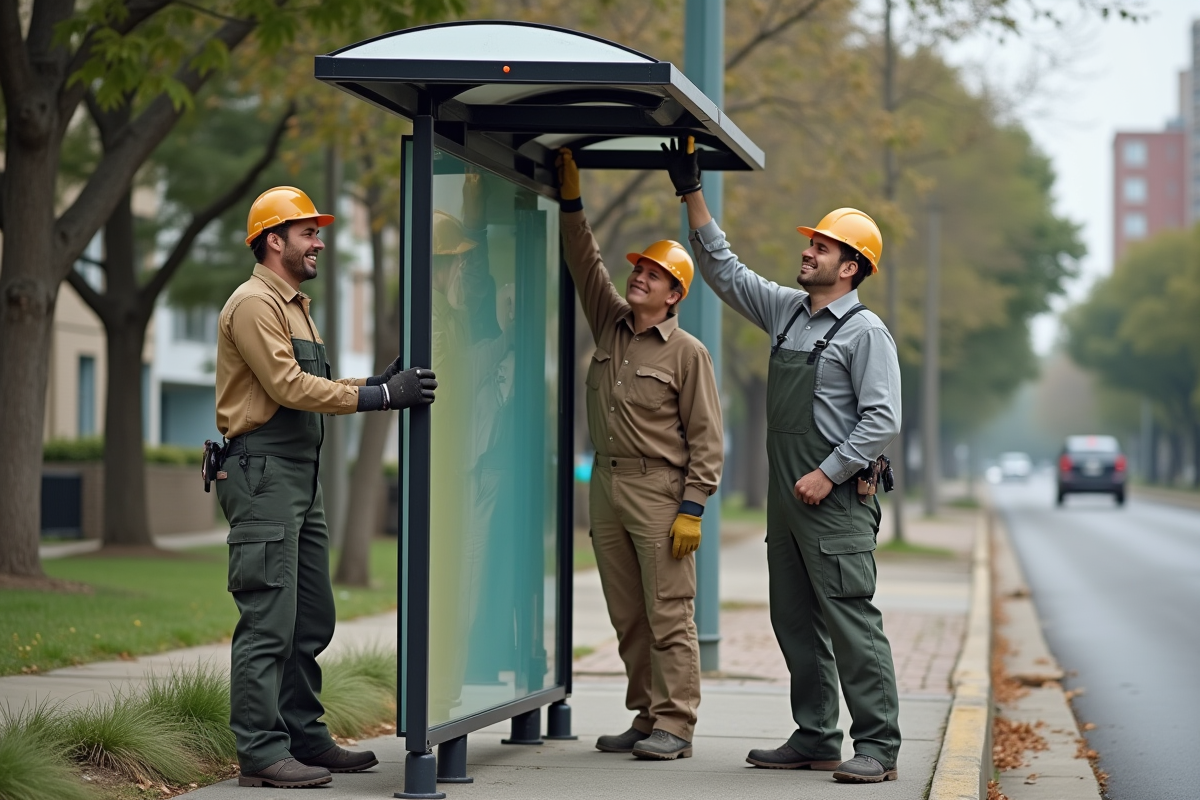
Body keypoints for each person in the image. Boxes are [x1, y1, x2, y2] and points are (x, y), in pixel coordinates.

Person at [663, 139, 903, 783]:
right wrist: (693, 195)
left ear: (850, 268)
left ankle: (878, 745)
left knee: (852, 624)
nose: (808, 251)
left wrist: (829, 473)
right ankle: (818, 734)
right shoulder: (789, 313)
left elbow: (881, 420)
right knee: (793, 621)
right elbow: (724, 272)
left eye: (822, 247)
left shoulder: (865, 333)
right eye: (812, 243)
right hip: (788, 500)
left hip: (836, 503)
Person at [214, 186, 437, 789]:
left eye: (318, 232)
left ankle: (304, 738)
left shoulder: (294, 303)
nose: (319, 242)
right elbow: (288, 387)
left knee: (311, 616)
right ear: (273, 239)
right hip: (263, 473)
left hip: (298, 476)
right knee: (268, 617)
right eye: (308, 232)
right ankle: (260, 751)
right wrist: (379, 398)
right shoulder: (254, 302)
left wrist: (376, 380)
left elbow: (317, 382)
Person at [557, 148, 724, 761]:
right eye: (639, 271)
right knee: (627, 614)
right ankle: (646, 714)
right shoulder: (611, 325)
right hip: (605, 486)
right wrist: (572, 203)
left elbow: (707, 437)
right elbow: (585, 263)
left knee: (669, 613)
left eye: (653, 275)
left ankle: (676, 725)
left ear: (675, 294)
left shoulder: (688, 354)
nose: (639, 278)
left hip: (660, 493)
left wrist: (693, 506)